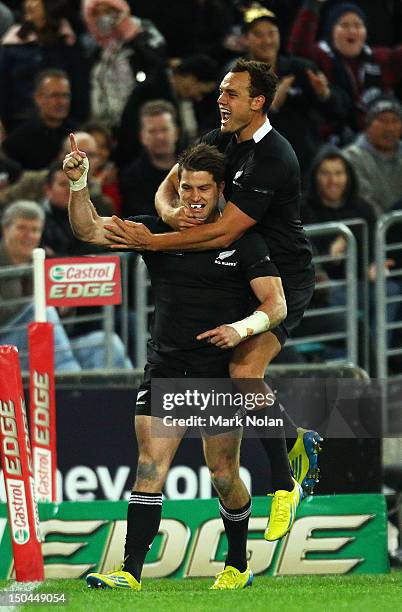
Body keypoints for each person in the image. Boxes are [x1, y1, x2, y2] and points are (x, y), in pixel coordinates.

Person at [64, 137, 301, 590]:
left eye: (203, 190)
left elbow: (276, 305)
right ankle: (129, 571)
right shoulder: (155, 233)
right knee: (150, 467)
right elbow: (88, 230)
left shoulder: (243, 243)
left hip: (216, 373)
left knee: (223, 474)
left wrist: (242, 329)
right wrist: (79, 183)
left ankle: (237, 563)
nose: (193, 199)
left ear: (220, 192)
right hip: (166, 368)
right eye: (187, 188)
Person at [101, 59, 322, 501]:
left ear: (258, 103)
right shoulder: (217, 140)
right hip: (243, 274)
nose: (219, 100)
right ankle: (298, 440)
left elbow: (224, 232)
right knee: (232, 374)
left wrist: (153, 242)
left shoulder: (274, 156)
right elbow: (168, 189)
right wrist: (171, 216)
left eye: (231, 94)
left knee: (243, 371)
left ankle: (284, 486)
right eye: (220, 91)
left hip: (283, 278)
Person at [0, 199, 131, 371]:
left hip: (47, 347)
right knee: (44, 311)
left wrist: (65, 307)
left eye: (35, 230)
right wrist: (42, 304)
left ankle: (137, 395)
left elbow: (63, 329)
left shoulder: (47, 264)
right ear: (5, 229)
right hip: (7, 347)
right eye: (21, 228)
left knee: (107, 343)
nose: (29, 236)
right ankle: (71, 379)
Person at [287, 0, 402, 144]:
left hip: (376, 144)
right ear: (331, 31)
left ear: (366, 33)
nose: (352, 31)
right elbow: (298, 50)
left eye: (358, 25)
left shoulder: (380, 58)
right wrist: (312, 5)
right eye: (344, 25)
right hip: (331, 146)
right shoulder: (321, 56)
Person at [82, 0, 166, 132]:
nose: (102, 17)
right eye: (96, 13)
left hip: (140, 120)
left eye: (107, 11)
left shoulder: (143, 30)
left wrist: (130, 36)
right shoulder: (95, 48)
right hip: (107, 126)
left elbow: (158, 65)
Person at [2, 69, 77, 170]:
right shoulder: (16, 141)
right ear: (38, 98)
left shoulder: (78, 134)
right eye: (54, 95)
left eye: (65, 96)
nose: (62, 102)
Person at [342, 96, 402, 216]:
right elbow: (365, 202)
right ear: (368, 125)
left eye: (395, 121)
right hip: (373, 228)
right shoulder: (352, 157)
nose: (389, 128)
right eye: (383, 120)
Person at [119, 100, 179, 217]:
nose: (159, 137)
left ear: (176, 132)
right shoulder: (131, 178)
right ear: (142, 137)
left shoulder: (195, 168)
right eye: (152, 131)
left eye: (164, 129)